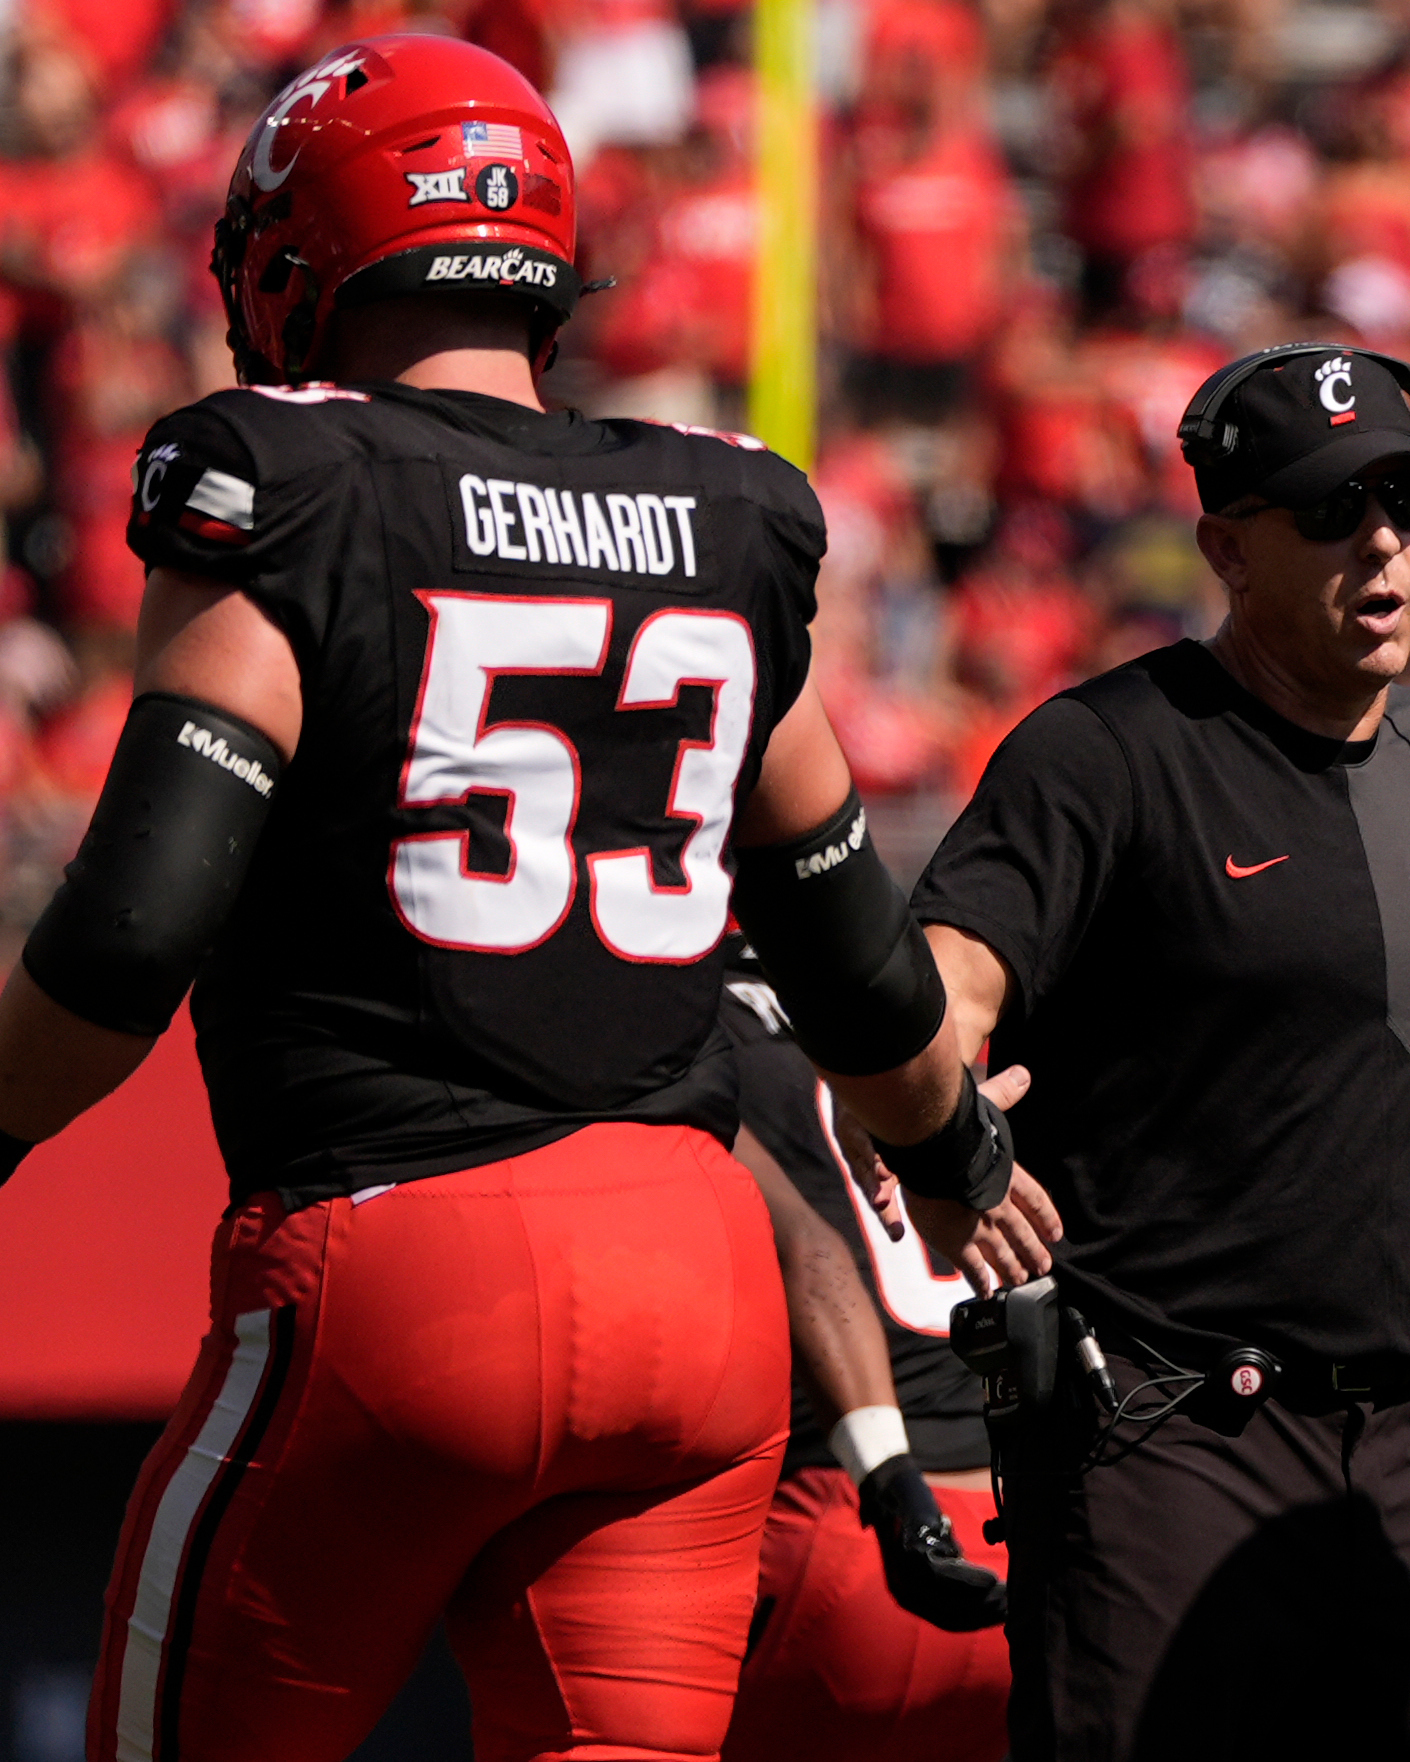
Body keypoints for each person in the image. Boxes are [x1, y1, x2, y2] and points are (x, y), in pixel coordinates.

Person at [0, 37, 1027, 1762]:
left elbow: (128, 929)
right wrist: (957, 1161)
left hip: (403, 1252)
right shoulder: (721, 513)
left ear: (301, 256)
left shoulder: (294, 478)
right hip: (696, 1288)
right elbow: (860, 972)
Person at [900, 337, 1410, 1761]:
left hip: (1389, 1442)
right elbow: (939, 987)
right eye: (1332, 508)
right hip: (1155, 1436)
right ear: (1225, 546)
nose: (1384, 539)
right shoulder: (1101, 754)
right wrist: (943, 1138)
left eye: (1407, 500)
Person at [719, 957, 1013, 1762]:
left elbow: (808, 1256)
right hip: (1014, 1534)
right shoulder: (907, 998)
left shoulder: (677, 1025)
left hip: (851, 1526)